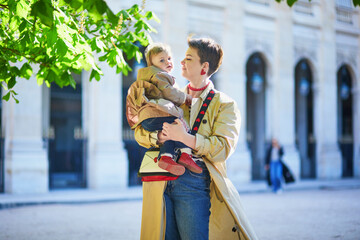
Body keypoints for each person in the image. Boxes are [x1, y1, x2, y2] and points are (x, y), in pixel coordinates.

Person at [134, 37, 258, 240]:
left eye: (188, 58)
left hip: (195, 181)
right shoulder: (169, 96)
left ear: (204, 67)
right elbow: (139, 132)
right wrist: (159, 135)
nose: (180, 62)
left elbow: (223, 149)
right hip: (160, 181)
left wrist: (186, 138)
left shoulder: (225, 104)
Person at [126, 42, 203, 175]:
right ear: (152, 65)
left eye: (169, 58)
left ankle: (167, 157)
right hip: (157, 113)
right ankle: (185, 155)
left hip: (148, 118)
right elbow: (169, 92)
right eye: (162, 60)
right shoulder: (159, 75)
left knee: (169, 134)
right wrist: (186, 98)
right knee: (180, 126)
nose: (168, 62)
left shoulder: (149, 77)